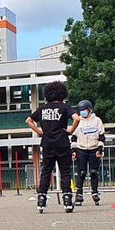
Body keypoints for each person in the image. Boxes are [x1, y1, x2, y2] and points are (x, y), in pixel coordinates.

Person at [25, 81, 81, 213]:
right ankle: (67, 200)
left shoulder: (42, 108)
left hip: (47, 144)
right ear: (62, 93)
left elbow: (28, 120)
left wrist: (39, 132)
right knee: (65, 171)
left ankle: (41, 200)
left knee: (46, 171)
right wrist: (71, 131)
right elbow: (77, 118)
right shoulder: (64, 107)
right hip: (62, 143)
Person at [72, 100, 105, 206]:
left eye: (84, 110)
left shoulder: (97, 120)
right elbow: (73, 137)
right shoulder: (78, 120)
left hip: (93, 148)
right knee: (81, 172)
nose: (82, 112)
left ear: (89, 110)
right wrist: (73, 150)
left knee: (94, 172)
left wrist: (100, 148)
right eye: (80, 110)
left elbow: (102, 135)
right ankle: (79, 195)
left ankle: (95, 193)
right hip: (81, 149)